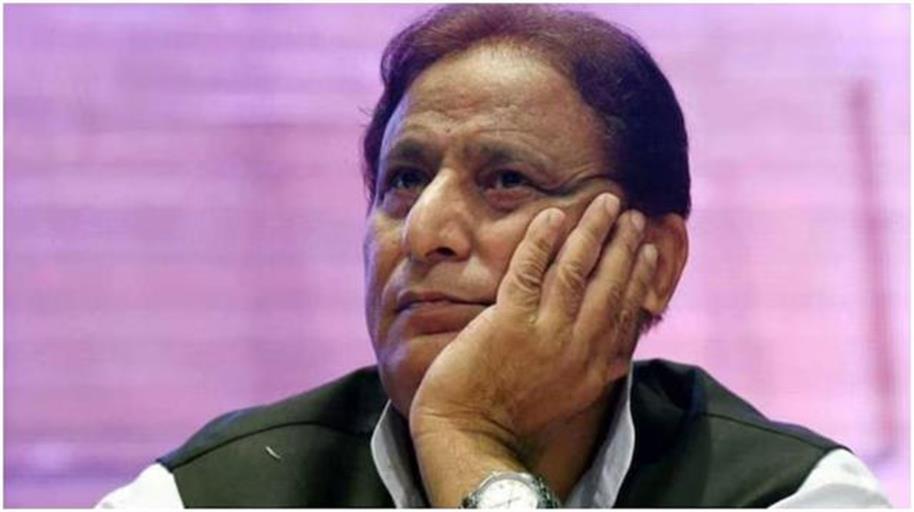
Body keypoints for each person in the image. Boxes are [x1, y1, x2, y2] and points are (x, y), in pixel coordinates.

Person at [98, 4, 891, 508]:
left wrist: (468, 441)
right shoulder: (202, 497)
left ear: (654, 261)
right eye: (403, 180)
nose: (424, 232)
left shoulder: (791, 496)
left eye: (507, 180)